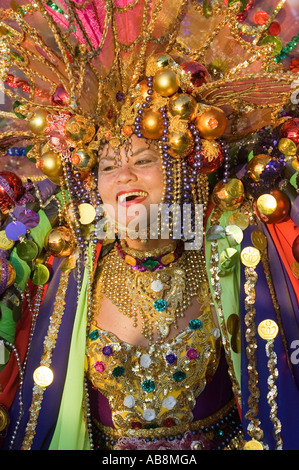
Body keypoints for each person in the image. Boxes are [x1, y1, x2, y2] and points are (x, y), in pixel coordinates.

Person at [0, 0, 299, 451]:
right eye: (107, 166)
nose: (123, 176)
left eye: (143, 160)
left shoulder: (234, 257)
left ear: (183, 168)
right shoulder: (71, 272)